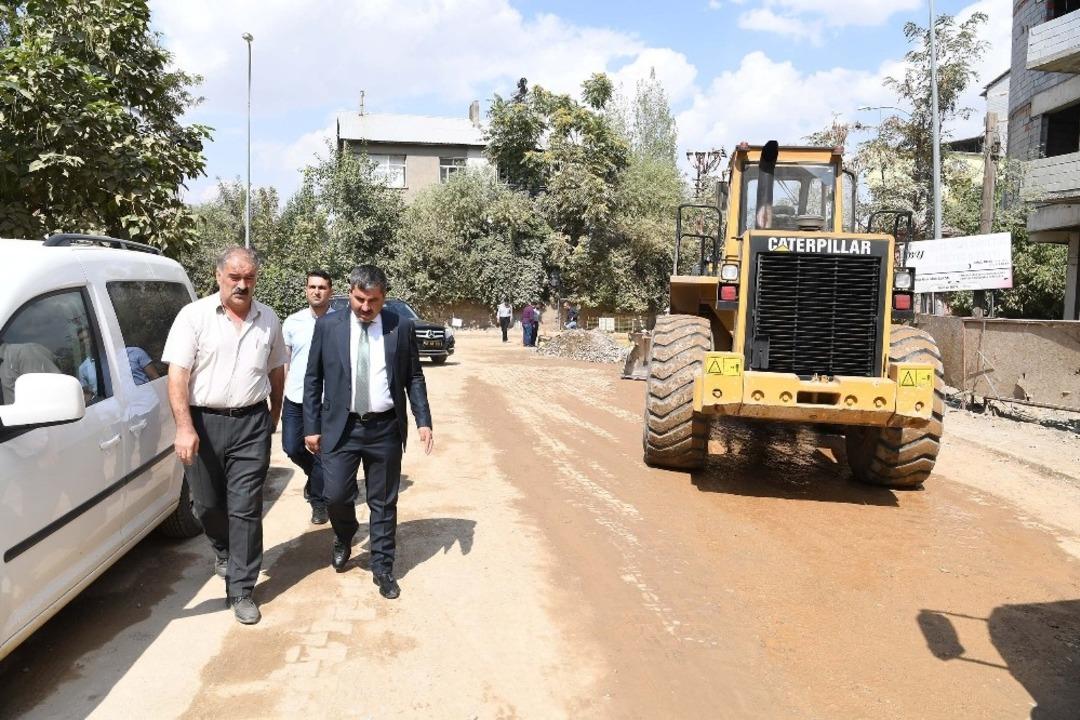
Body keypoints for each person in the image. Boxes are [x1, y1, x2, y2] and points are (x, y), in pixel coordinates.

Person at [162, 246, 287, 625]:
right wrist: (184, 427)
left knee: (246, 508)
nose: (242, 284)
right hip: (203, 424)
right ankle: (224, 549)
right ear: (219, 276)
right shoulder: (194, 316)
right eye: (235, 277)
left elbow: (277, 370)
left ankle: (242, 588)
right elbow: (177, 376)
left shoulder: (269, 320)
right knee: (206, 505)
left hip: (251, 423)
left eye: (249, 277)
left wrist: (274, 414)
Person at [303, 264, 433, 600]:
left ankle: (383, 568)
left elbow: (414, 376)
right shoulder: (329, 326)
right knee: (335, 496)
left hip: (384, 429)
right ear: (350, 293)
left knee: (384, 502)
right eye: (360, 299)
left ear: (383, 298)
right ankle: (345, 535)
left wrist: (423, 420)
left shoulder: (399, 327)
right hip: (340, 428)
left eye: (372, 301)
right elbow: (313, 379)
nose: (365, 307)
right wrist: (311, 427)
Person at [282, 270, 335, 525]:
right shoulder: (292, 322)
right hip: (295, 398)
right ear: (306, 290)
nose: (317, 291)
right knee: (291, 447)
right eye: (312, 286)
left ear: (330, 292)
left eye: (322, 287)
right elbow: (285, 361)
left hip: (328, 401)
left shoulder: (341, 322)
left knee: (323, 452)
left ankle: (318, 501)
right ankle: (316, 477)